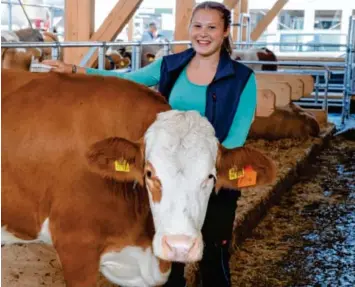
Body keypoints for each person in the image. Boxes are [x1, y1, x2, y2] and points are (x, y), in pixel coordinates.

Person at [43, 1, 257, 286]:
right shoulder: (171, 65)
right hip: (168, 181)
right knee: (168, 260)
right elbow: (126, 80)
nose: (203, 34)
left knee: (214, 256)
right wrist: (76, 70)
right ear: (189, 29)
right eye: (197, 26)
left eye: (212, 27)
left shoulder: (243, 79)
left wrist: (208, 172)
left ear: (225, 31)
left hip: (208, 180)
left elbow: (237, 136)